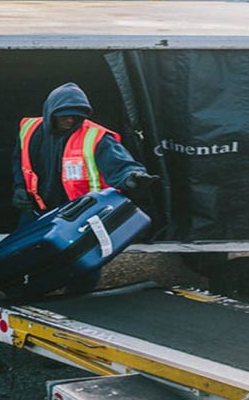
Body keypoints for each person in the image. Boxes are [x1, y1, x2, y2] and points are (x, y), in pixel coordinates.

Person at [11, 82, 156, 292]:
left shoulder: (96, 137)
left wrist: (132, 177)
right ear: (50, 112)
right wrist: (18, 187)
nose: (70, 121)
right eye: (64, 115)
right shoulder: (29, 130)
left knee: (83, 263)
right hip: (38, 210)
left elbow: (120, 164)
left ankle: (78, 303)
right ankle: (27, 295)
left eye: (76, 116)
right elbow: (18, 160)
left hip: (80, 216)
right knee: (26, 257)